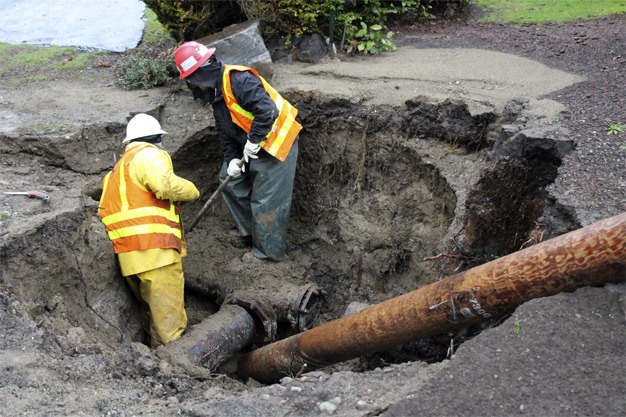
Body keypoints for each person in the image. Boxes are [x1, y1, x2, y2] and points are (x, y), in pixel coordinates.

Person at [173, 41, 302, 263]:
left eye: (192, 79)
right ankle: (252, 232)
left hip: (276, 141)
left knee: (266, 200)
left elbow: (267, 111)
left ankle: (267, 254)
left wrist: (253, 141)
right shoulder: (216, 91)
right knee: (228, 178)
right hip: (251, 142)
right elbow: (225, 130)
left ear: (200, 73)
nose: (192, 84)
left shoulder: (240, 81)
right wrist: (231, 158)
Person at [98, 113, 200, 348]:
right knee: (169, 326)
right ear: (155, 137)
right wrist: (193, 190)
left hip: (129, 258)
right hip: (157, 251)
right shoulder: (148, 155)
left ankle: (158, 362)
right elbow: (165, 184)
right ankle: (178, 368)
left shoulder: (114, 173)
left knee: (152, 316)